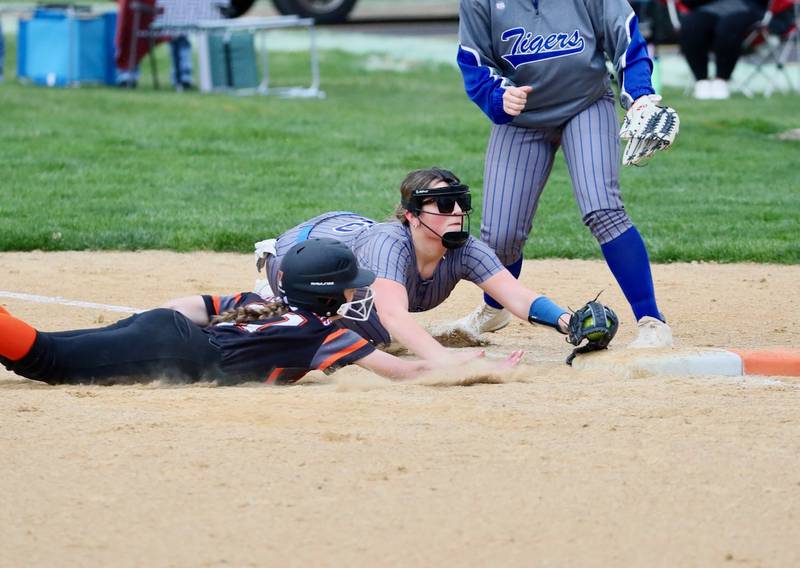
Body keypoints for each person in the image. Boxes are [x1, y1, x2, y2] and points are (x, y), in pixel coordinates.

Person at [166, 168, 608, 364]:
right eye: (443, 204)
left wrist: (568, 321)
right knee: (352, 333)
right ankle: (263, 295)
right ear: (412, 214)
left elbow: (516, 295)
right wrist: (444, 362)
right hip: (310, 248)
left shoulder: (465, 248)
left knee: (375, 333)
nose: (455, 212)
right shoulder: (390, 245)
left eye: (461, 204)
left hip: (353, 245)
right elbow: (395, 315)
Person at [455, 0, 676, 347]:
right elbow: (473, 60)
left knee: (603, 210)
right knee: (500, 235)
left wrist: (641, 96)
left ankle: (651, 320)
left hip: (585, 103)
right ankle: (495, 308)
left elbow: (626, 37)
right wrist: (496, 97)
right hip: (522, 116)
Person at [0, 239, 519, 386]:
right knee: (46, 358)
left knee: (53, 344)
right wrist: (476, 371)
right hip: (168, 347)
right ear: (325, 295)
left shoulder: (260, 303)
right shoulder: (321, 334)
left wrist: (137, 325)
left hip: (163, 328)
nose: (351, 295)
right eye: (344, 288)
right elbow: (403, 370)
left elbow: (197, 304)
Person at [676, 0, 768, 99]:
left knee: (728, 27)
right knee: (692, 25)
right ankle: (701, 80)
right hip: (707, 7)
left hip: (745, 8)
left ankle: (721, 80)